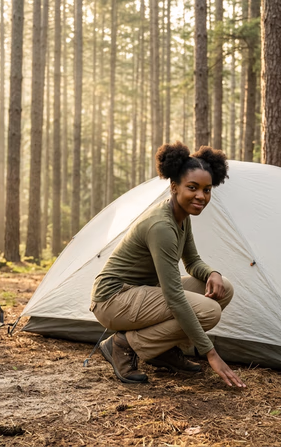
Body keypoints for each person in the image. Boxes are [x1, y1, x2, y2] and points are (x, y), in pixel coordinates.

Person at [90, 142, 246, 388]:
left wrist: (212, 273)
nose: (201, 196)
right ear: (174, 187)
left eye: (207, 190)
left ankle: (160, 349)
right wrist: (211, 353)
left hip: (138, 295)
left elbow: (192, 261)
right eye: (192, 188)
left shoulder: (181, 217)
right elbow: (174, 296)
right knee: (208, 311)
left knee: (222, 287)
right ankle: (123, 345)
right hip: (113, 299)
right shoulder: (161, 226)